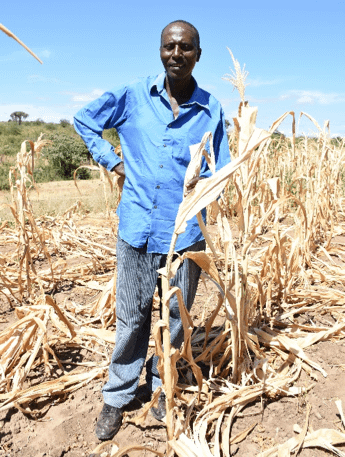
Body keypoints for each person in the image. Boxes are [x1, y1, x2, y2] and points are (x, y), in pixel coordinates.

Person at [74, 19, 230, 440]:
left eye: (185, 47)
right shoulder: (133, 96)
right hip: (138, 228)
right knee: (131, 318)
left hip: (185, 235)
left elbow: (223, 167)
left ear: (199, 53)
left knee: (176, 318)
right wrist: (113, 160)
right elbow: (84, 119)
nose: (176, 54)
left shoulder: (211, 108)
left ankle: (165, 385)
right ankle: (118, 395)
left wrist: (208, 189)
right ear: (160, 51)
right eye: (168, 47)